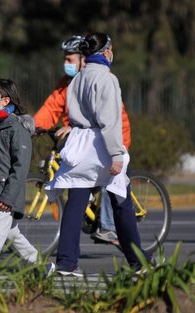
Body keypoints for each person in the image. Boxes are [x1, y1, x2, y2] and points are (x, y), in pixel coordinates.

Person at [45, 32, 149, 276]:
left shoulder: (77, 78)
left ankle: (66, 263)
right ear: (106, 51)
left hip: (79, 143)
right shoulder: (106, 78)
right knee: (121, 202)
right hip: (102, 144)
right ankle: (138, 261)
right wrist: (116, 154)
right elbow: (110, 120)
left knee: (76, 203)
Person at [33, 35, 134, 246]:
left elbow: (108, 118)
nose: (66, 64)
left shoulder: (97, 79)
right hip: (85, 142)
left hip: (113, 138)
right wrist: (33, 127)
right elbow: (51, 108)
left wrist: (116, 151)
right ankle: (136, 257)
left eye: (70, 60)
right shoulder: (68, 83)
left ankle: (107, 227)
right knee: (81, 193)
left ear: (83, 59)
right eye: (64, 59)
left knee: (112, 188)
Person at [0, 78, 55, 275]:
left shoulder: (16, 128)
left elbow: (20, 166)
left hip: (7, 194)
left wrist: (8, 197)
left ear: (5, 101)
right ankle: (42, 266)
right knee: (12, 234)